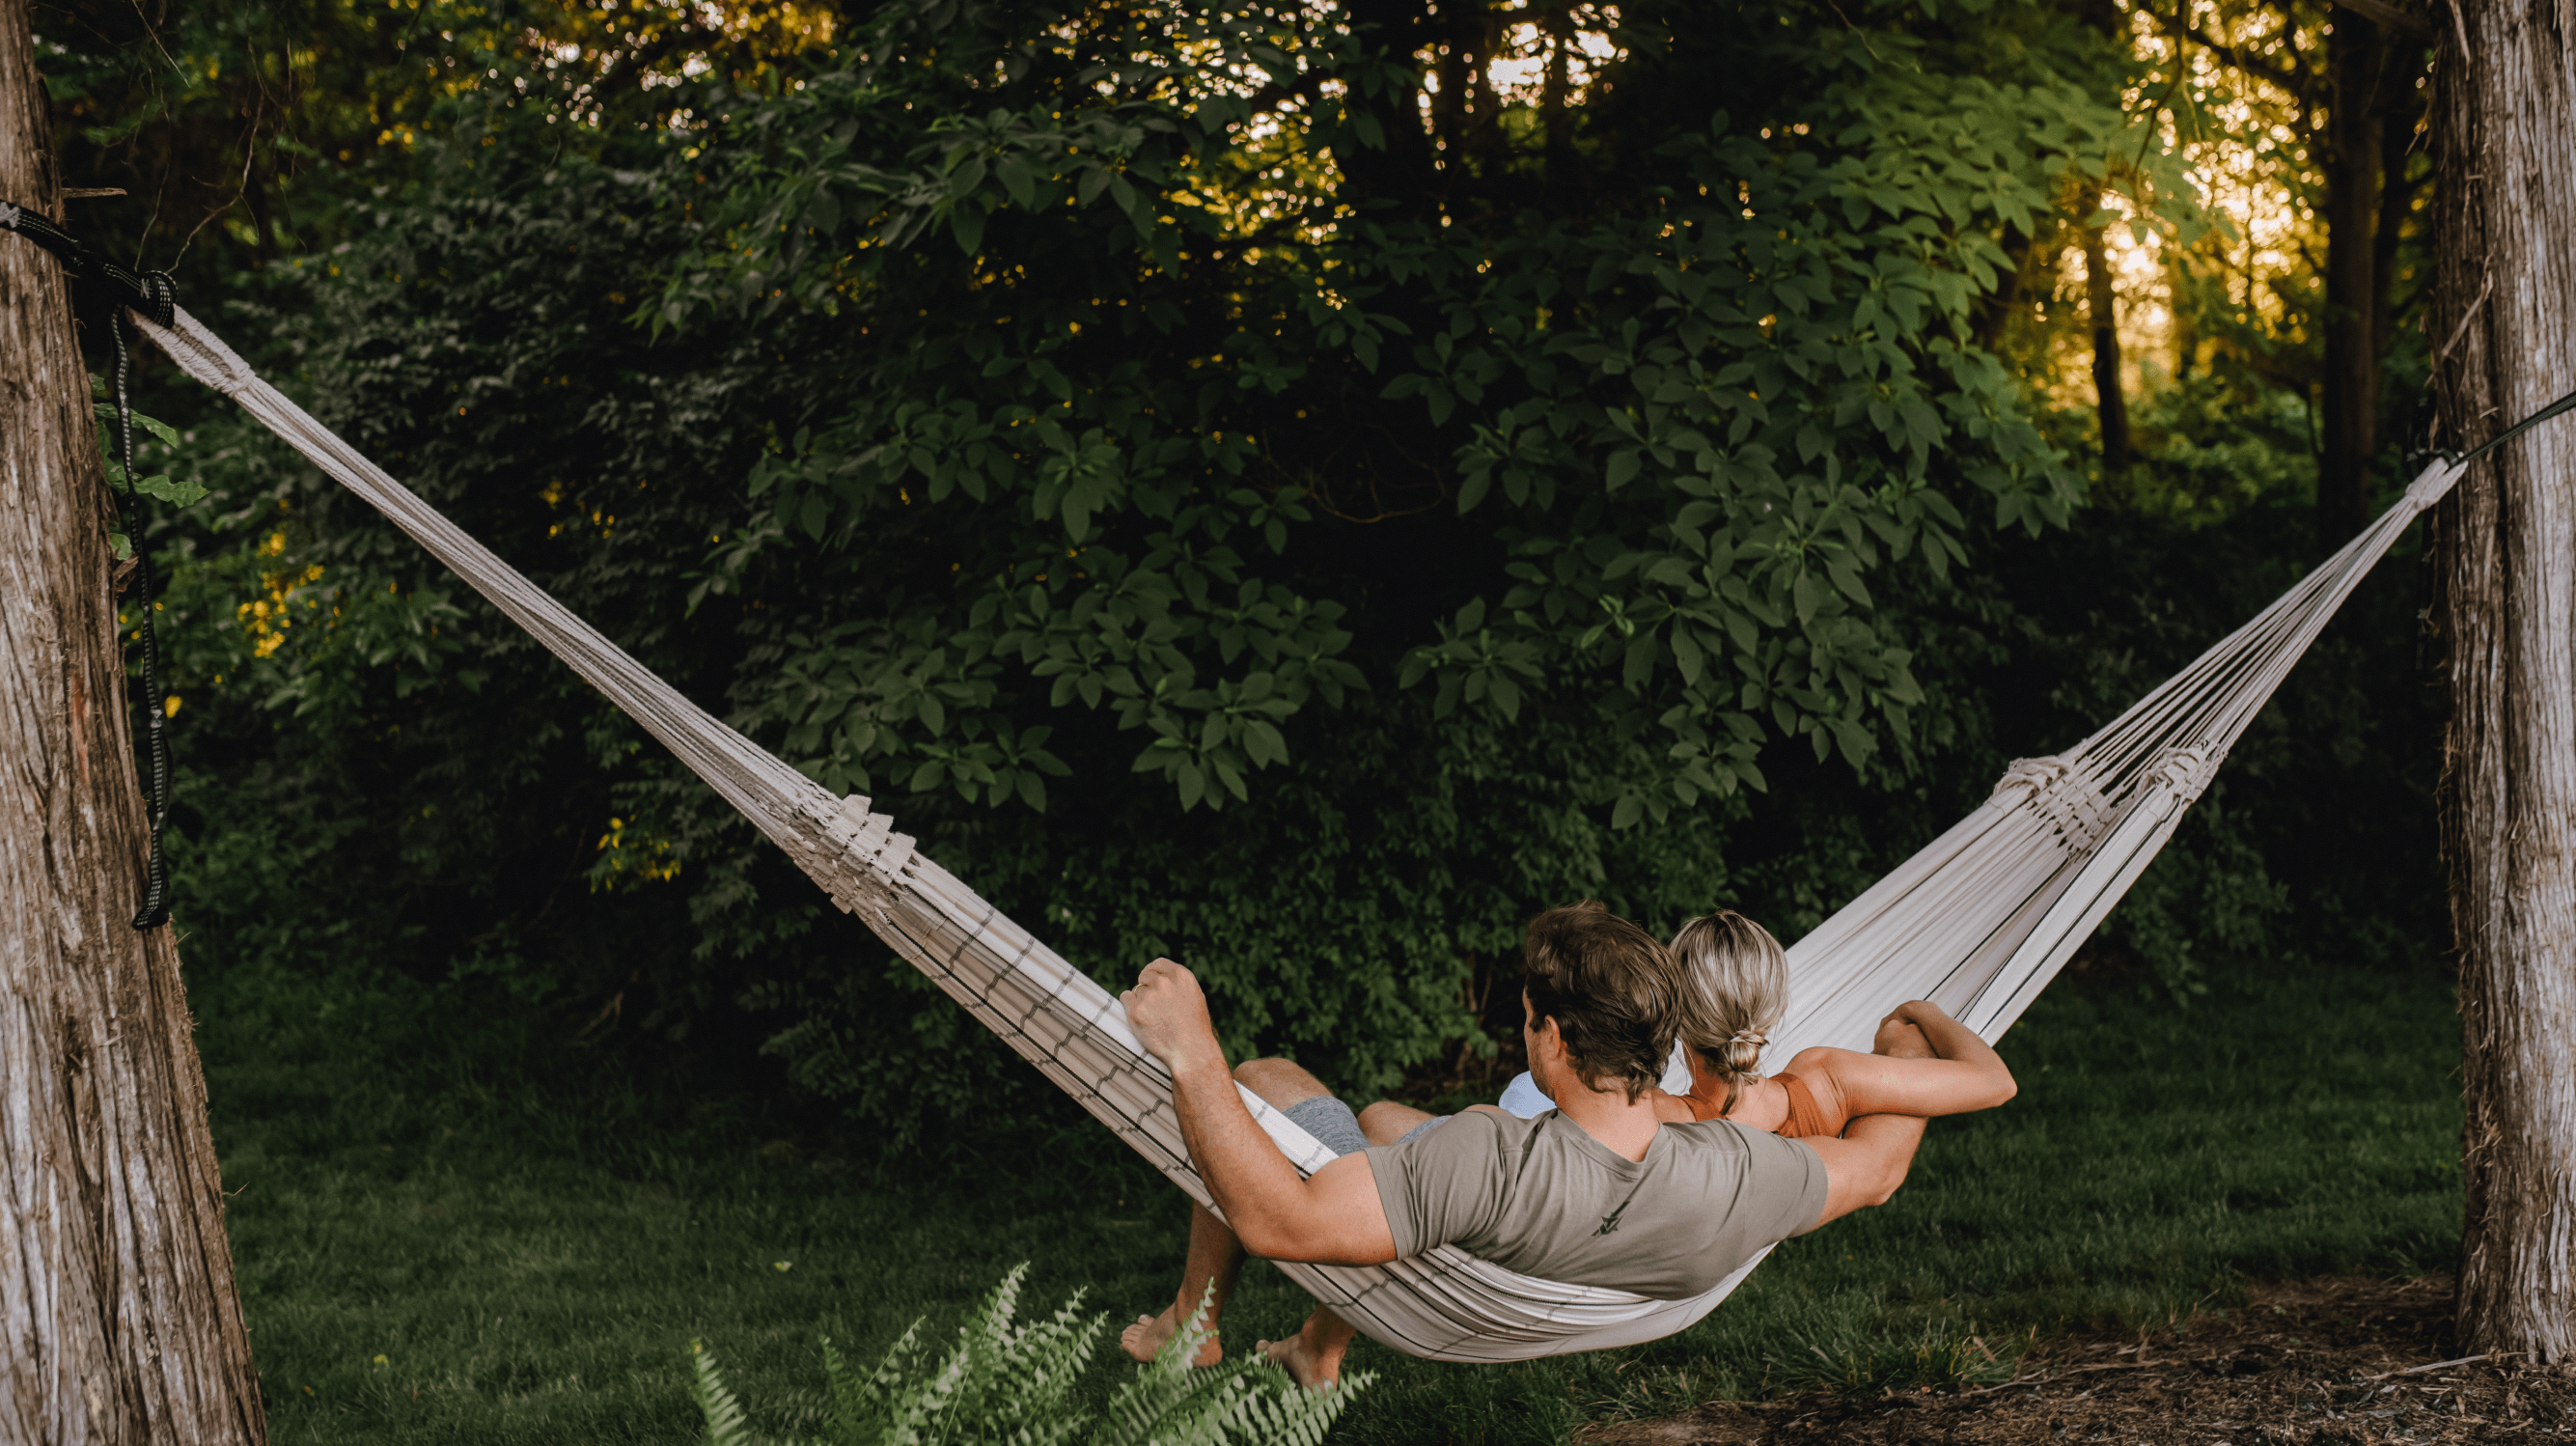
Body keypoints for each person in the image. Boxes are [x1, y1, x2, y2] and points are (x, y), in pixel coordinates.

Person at [1114, 901, 1932, 1389]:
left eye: (1529, 1016)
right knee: (1382, 1122)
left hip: (1484, 1233)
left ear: (1556, 1042)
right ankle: (1317, 1353)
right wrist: (1902, 1057)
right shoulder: (1742, 1169)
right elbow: (1882, 1169)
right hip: (1579, 1255)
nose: (1524, 1028)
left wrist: (1195, 1051)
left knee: (1264, 1079)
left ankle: (1192, 1321)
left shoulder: (1484, 1157)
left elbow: (1280, 1222)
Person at [1494, 910, 2018, 1136]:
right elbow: (1997, 1083)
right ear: (1779, 1008)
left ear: (1675, 1020)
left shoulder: (1650, 1116)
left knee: (1522, 1094)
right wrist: (1920, 1009)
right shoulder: (1827, 1081)